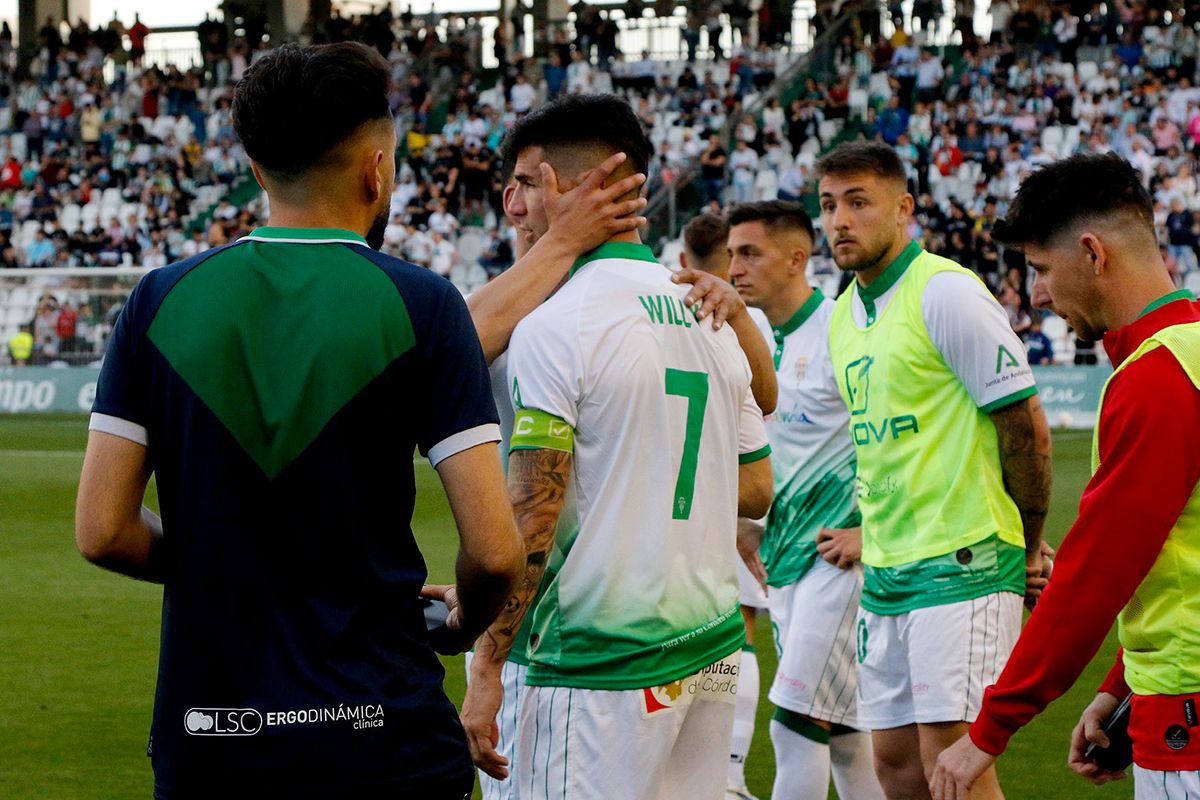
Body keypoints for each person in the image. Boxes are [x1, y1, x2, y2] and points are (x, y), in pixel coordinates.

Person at [73, 42, 526, 799]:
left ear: (257, 169)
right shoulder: (422, 304)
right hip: (385, 736)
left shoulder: (159, 300)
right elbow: (494, 554)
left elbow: (102, 530)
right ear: (376, 169)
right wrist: (455, 627)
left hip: (213, 738)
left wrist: (226, 565)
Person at [452, 94, 775, 800]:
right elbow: (756, 491)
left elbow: (533, 514)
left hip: (593, 667)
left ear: (570, 188)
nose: (512, 206)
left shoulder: (555, 324)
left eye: (524, 185)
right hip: (709, 648)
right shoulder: (708, 309)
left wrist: (486, 667)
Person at [931, 155, 1200, 799]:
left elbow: (1094, 576)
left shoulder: (1156, 378)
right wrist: (1118, 690)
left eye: (1042, 270)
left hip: (1185, 719)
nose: (1038, 295)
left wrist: (988, 731)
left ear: (1092, 254)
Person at [817, 141, 1053, 800]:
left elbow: (1025, 428)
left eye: (858, 202)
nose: (839, 220)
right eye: (829, 204)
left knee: (950, 760)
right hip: (888, 569)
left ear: (904, 210)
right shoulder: (843, 316)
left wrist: (1028, 545)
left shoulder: (945, 291)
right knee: (892, 761)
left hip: (965, 556)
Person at [724, 201, 885, 800]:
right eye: (732, 253)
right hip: (787, 561)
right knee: (844, 733)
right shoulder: (766, 340)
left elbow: (904, 439)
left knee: (793, 723)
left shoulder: (845, 333)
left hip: (840, 564)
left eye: (749, 252)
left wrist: (871, 532)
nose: (735, 265)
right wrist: (751, 523)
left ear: (797, 259)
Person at [678, 212, 775, 800]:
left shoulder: (738, 315)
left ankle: (729, 772)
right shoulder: (731, 313)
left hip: (728, 488)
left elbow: (765, 402)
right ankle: (723, 772)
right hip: (731, 484)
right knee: (730, 625)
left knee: (731, 624)